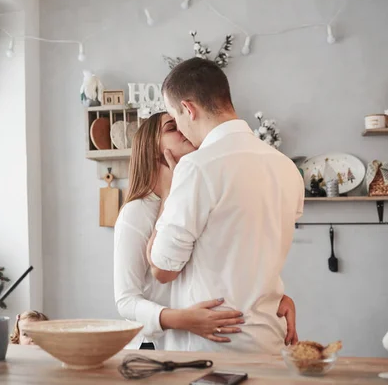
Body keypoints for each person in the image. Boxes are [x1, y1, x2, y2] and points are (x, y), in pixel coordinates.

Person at [147, 58, 304, 354]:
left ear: (189, 109)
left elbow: (162, 270)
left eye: (175, 116)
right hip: (270, 339)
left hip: (214, 350)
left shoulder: (197, 167)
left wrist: (168, 194)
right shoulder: (286, 167)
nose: (180, 128)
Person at [115, 111, 298, 351]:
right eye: (172, 128)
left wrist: (278, 298)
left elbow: (225, 267)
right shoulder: (136, 212)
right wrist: (183, 320)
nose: (183, 129)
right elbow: (126, 301)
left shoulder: (201, 194)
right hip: (156, 348)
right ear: (151, 147)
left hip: (207, 344)